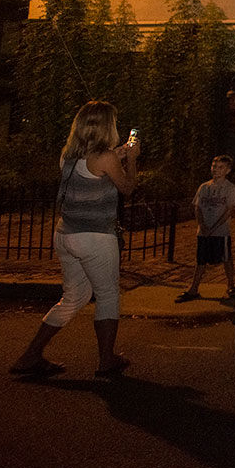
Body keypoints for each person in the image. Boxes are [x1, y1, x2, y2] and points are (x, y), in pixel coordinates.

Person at [10, 101, 138, 378]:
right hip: (95, 238)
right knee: (107, 295)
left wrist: (116, 156)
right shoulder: (106, 157)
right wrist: (133, 158)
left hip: (66, 234)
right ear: (107, 126)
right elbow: (127, 188)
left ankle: (31, 355)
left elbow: (91, 169)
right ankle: (106, 359)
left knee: (74, 296)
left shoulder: (67, 155)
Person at [175, 154, 235, 302]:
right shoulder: (204, 187)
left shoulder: (229, 188)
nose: (215, 170)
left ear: (227, 170)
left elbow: (229, 210)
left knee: (226, 257)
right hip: (204, 232)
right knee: (201, 260)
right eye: (214, 167)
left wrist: (215, 226)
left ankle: (231, 285)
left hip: (221, 231)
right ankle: (194, 288)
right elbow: (198, 208)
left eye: (220, 167)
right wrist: (202, 225)